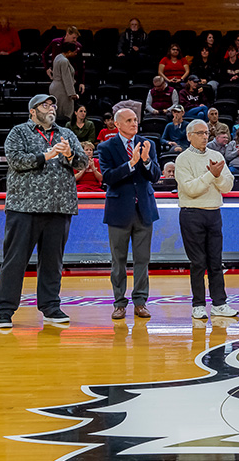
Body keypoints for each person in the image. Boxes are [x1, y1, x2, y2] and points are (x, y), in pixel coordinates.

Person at [0, 95, 88, 329]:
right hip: (24, 207)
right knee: (15, 260)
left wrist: (69, 155)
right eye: (45, 105)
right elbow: (15, 160)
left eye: (53, 105)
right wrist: (47, 155)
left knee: (53, 262)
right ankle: (4, 310)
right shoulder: (19, 132)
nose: (51, 108)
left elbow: (83, 163)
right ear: (32, 111)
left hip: (59, 207)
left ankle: (50, 306)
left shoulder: (66, 134)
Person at [98, 108, 160, 320]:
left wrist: (146, 161)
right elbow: (108, 177)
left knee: (143, 260)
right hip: (119, 211)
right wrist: (131, 164)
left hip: (144, 210)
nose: (134, 123)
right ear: (117, 124)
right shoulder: (106, 147)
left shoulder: (147, 144)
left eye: (135, 119)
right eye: (129, 120)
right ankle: (119, 303)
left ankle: (140, 302)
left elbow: (155, 176)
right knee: (119, 261)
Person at [175, 119, 237, 319]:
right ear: (189, 136)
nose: (204, 136)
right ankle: (198, 305)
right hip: (191, 214)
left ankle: (219, 303)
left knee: (216, 262)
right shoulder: (183, 159)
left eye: (206, 133)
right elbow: (190, 189)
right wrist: (212, 176)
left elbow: (227, 186)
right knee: (198, 262)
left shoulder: (217, 156)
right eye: (200, 133)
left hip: (214, 213)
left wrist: (217, 176)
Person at [42, 26, 85, 92]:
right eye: (73, 38)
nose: (75, 40)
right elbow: (45, 54)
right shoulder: (55, 42)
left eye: (76, 38)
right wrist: (47, 68)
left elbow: (81, 65)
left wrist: (81, 82)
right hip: (56, 76)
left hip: (71, 77)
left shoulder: (78, 46)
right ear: (67, 34)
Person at [49, 42, 79, 121]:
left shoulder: (58, 57)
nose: (75, 53)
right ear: (69, 51)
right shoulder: (64, 61)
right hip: (62, 89)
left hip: (55, 87)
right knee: (65, 113)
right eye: (74, 52)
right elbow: (66, 78)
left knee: (57, 111)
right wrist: (72, 94)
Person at [0, 16, 22, 80]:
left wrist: (8, 52)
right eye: (2, 24)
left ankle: (15, 75)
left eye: (5, 24)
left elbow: (18, 45)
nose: (3, 26)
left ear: (8, 24)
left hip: (10, 53)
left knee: (18, 55)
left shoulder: (13, 32)